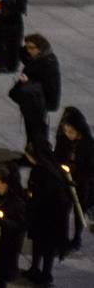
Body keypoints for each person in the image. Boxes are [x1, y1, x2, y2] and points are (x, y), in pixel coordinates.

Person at [24, 142, 72, 285]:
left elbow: (38, 194)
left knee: (45, 246)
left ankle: (45, 275)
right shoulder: (54, 167)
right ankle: (37, 269)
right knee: (41, 244)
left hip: (46, 215)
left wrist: (29, 198)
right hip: (53, 215)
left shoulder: (39, 171)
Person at [54, 107, 94, 253]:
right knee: (63, 210)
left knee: (79, 211)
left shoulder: (88, 145)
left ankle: (76, 238)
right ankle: (62, 238)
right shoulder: (63, 140)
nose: (67, 134)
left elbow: (90, 169)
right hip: (65, 182)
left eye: (71, 132)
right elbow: (58, 156)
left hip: (81, 184)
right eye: (66, 131)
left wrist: (77, 177)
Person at [17, 34, 61, 151]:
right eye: (27, 47)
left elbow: (47, 86)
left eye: (32, 48)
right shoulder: (37, 58)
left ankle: (38, 155)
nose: (28, 51)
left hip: (40, 103)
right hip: (32, 101)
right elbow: (23, 54)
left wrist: (28, 82)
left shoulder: (48, 63)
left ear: (40, 48)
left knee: (37, 131)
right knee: (30, 130)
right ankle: (31, 153)